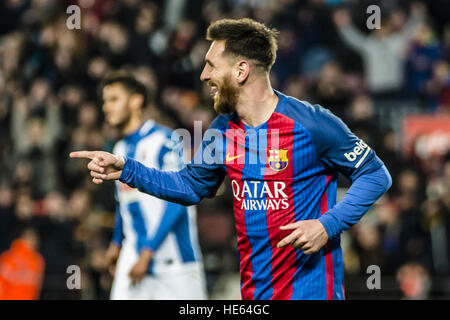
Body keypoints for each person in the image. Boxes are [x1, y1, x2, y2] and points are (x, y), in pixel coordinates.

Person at [71, 18, 392, 300]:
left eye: (211, 64)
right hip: (254, 292)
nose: (203, 75)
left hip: (310, 291)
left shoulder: (311, 123)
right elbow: (190, 184)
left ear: (241, 70)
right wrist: (127, 169)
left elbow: (375, 174)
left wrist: (327, 225)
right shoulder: (222, 131)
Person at [99, 73, 206, 300]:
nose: (106, 107)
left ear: (136, 101)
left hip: (174, 261)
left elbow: (180, 201)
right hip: (133, 257)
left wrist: (148, 251)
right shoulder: (118, 148)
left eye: (114, 99)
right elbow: (125, 201)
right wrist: (117, 243)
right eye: (105, 101)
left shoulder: (166, 140)